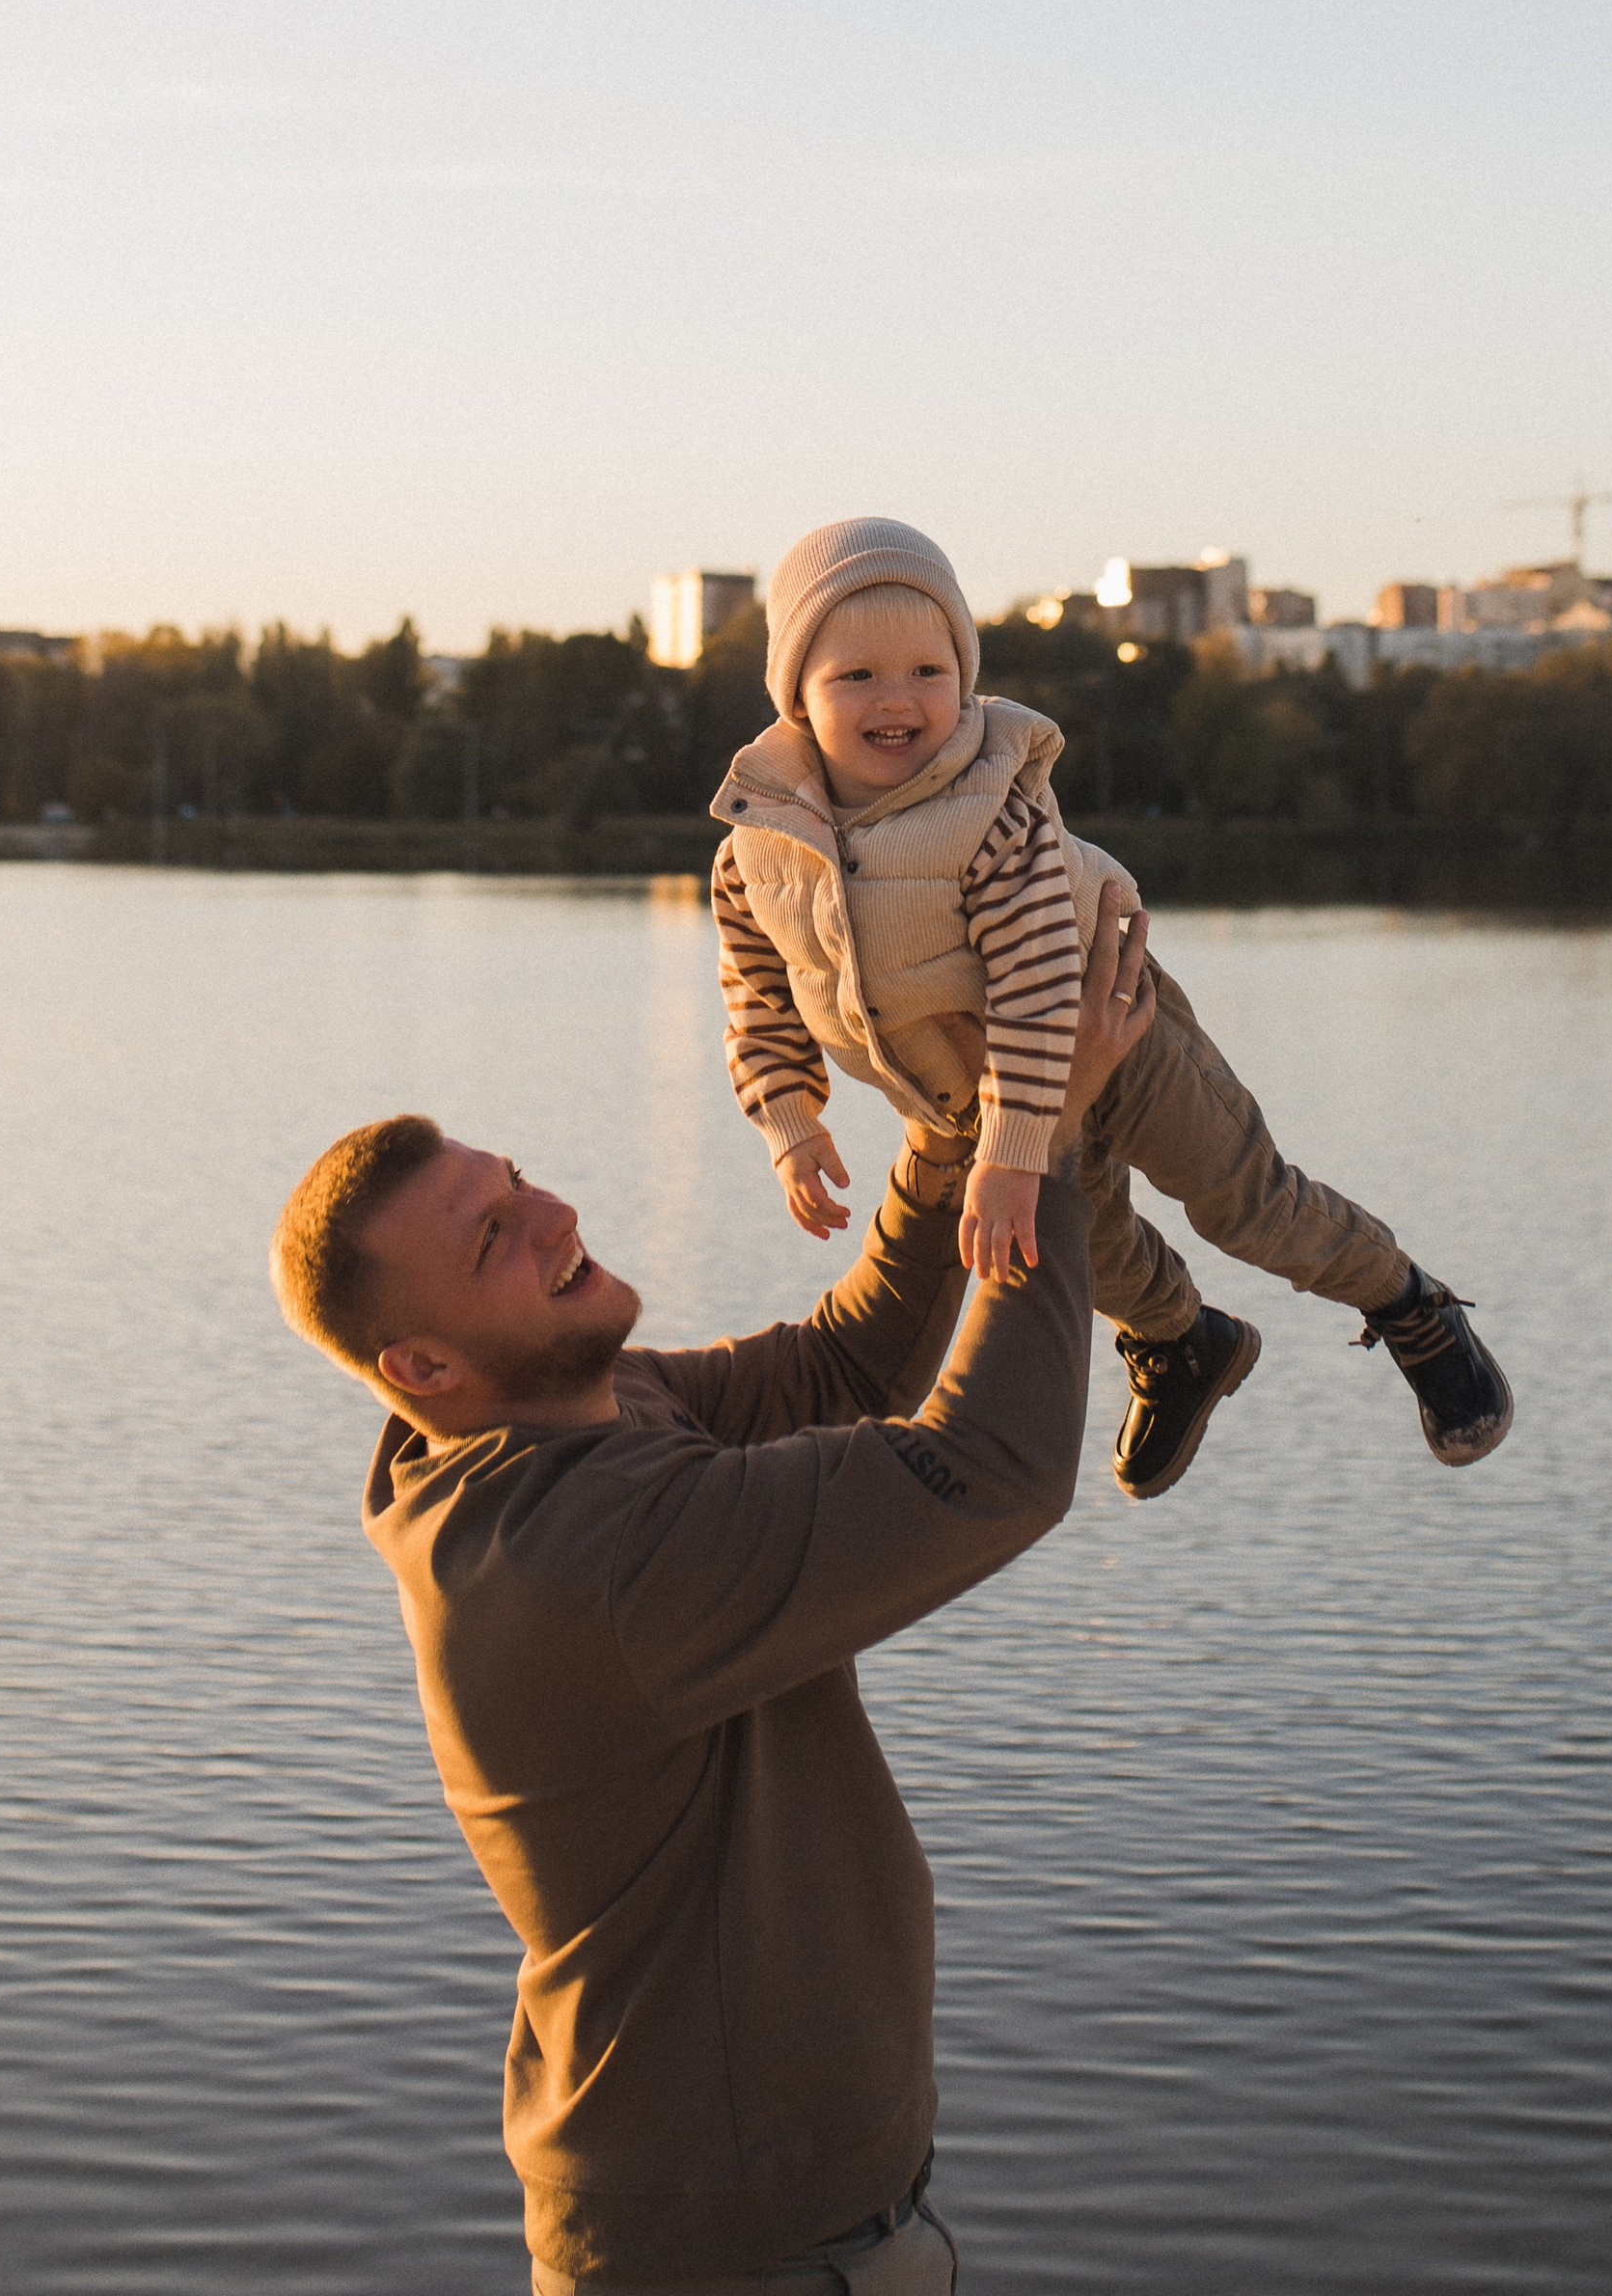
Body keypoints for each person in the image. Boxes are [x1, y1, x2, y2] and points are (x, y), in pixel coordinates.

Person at [268, 893, 1158, 2292]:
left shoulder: (571, 1414)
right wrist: (1037, 1128)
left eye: (519, 1181)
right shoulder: (584, 1560)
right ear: (422, 1366)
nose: (554, 1212)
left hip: (799, 2225)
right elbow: (991, 1470)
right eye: (496, 1235)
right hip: (729, 2260)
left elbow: (838, 1371)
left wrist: (953, 1107)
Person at [711, 513, 1513, 1499]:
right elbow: (756, 998)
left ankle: (1407, 1304)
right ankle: (1183, 1339)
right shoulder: (756, 847)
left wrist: (1010, 1151)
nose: (900, 702)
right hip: (967, 1093)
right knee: (1079, 1245)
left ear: (964, 675)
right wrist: (789, 1122)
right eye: (857, 677)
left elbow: (1042, 981)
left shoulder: (991, 809)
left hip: (1105, 1029)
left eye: (929, 671)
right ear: (793, 693)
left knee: (1242, 1202)